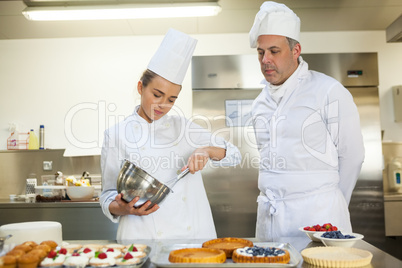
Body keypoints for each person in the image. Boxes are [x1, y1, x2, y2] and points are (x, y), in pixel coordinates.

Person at [100, 29, 241, 240]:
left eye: (171, 99)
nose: (163, 105)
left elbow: (234, 154)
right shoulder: (116, 135)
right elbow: (108, 196)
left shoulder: (183, 128)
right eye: (157, 95)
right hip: (143, 236)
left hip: (191, 237)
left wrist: (206, 151)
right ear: (141, 87)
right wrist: (125, 209)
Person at [249, 1, 365, 241]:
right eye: (261, 52)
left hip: (318, 217)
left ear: (296, 50)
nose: (265, 59)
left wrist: (333, 202)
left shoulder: (328, 91)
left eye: (274, 51)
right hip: (271, 221)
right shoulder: (259, 103)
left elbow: (353, 156)